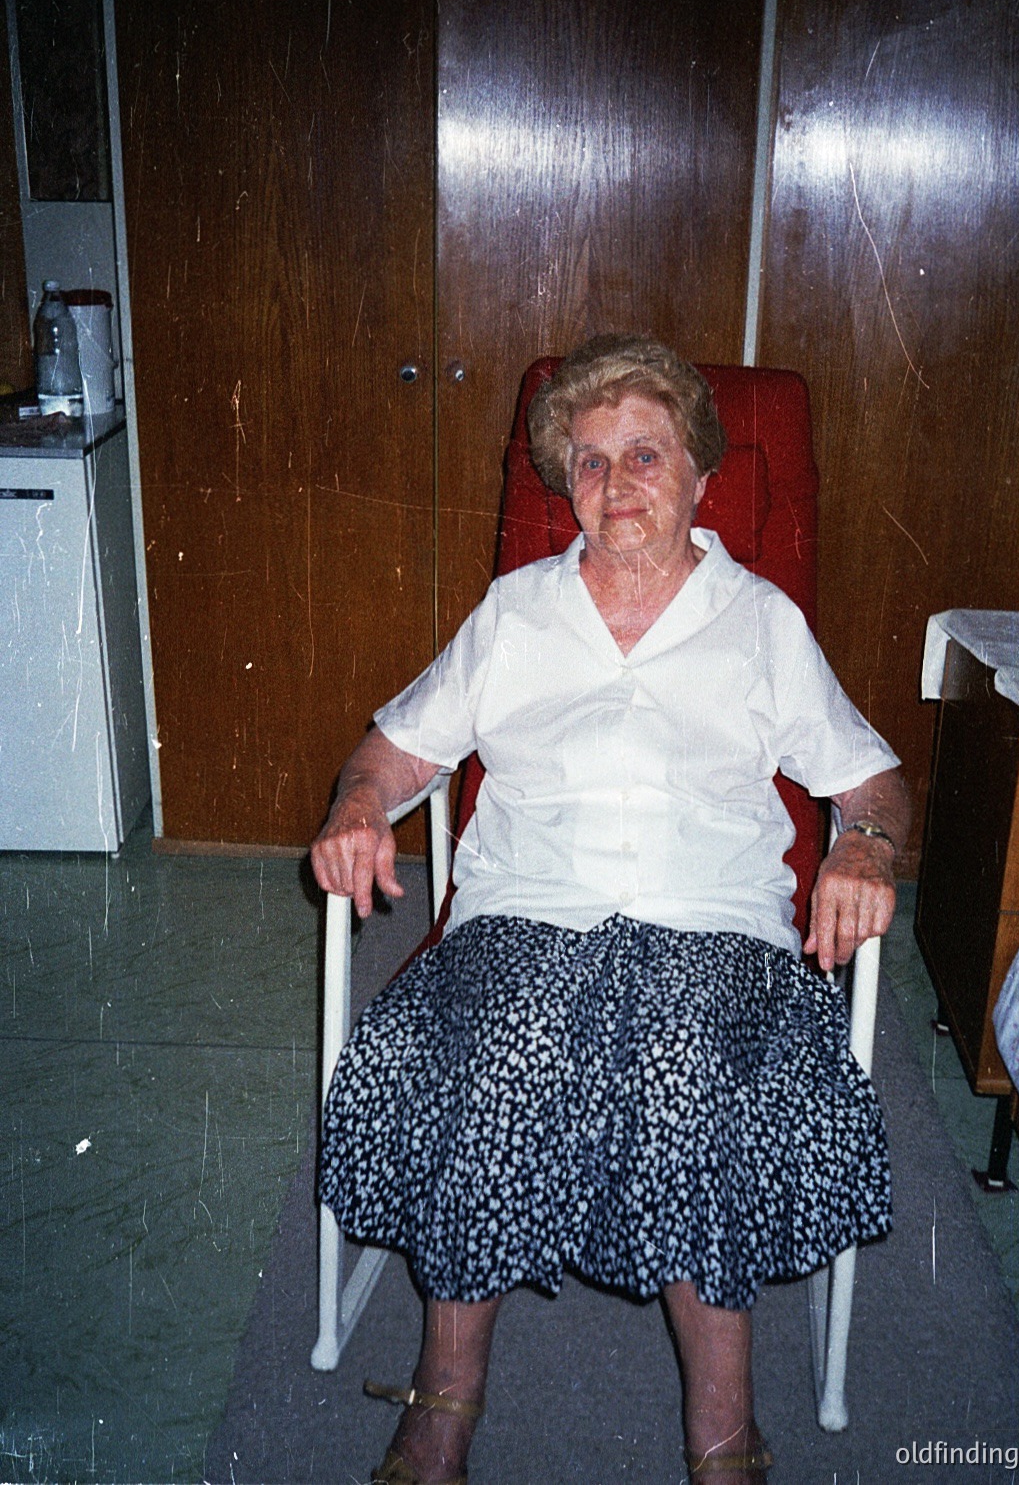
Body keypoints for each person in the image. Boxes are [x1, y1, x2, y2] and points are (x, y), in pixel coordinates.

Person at [311, 334, 910, 1485]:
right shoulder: (514, 614)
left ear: (699, 476)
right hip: (526, 911)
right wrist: (356, 808)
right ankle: (445, 1403)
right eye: (588, 462)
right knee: (502, 1053)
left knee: (683, 1064)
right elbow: (391, 753)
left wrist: (867, 848)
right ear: (563, 487)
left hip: (709, 924)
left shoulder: (759, 621)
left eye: (644, 455)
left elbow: (868, 780)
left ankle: (722, 1432)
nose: (616, 483)